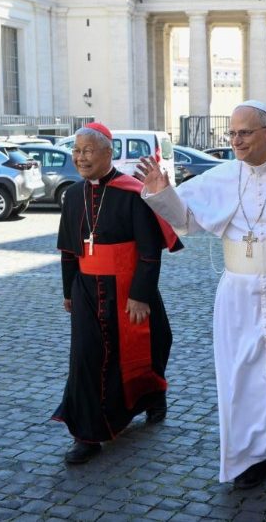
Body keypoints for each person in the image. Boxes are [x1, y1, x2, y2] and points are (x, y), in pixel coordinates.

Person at [136, 100, 266, 499]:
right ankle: (252, 459)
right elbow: (187, 221)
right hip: (237, 296)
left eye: (245, 133)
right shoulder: (220, 177)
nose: (236, 140)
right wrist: (162, 193)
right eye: (232, 133)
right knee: (242, 379)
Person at [52, 124, 182, 464]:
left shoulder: (132, 192)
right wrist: (68, 292)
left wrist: (140, 294)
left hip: (128, 289)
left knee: (148, 349)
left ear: (108, 153)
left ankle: (152, 397)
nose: (80, 157)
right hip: (86, 291)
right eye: (76, 151)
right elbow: (69, 251)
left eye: (87, 150)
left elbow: (149, 252)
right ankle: (87, 435)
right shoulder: (73, 195)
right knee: (85, 360)